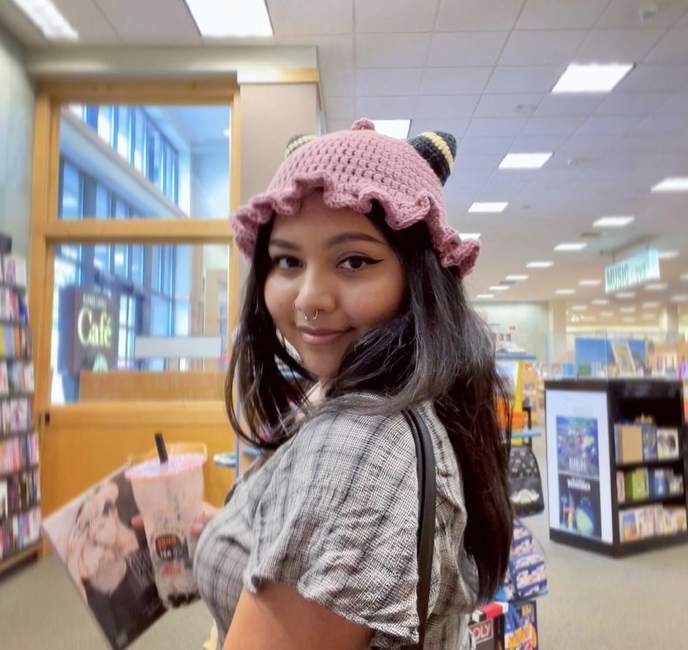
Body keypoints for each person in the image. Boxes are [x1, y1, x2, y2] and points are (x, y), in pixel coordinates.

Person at [194, 119, 513, 650]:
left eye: (354, 261)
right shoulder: (380, 399)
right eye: (288, 261)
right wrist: (229, 529)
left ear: (419, 277)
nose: (309, 298)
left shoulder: (359, 441)